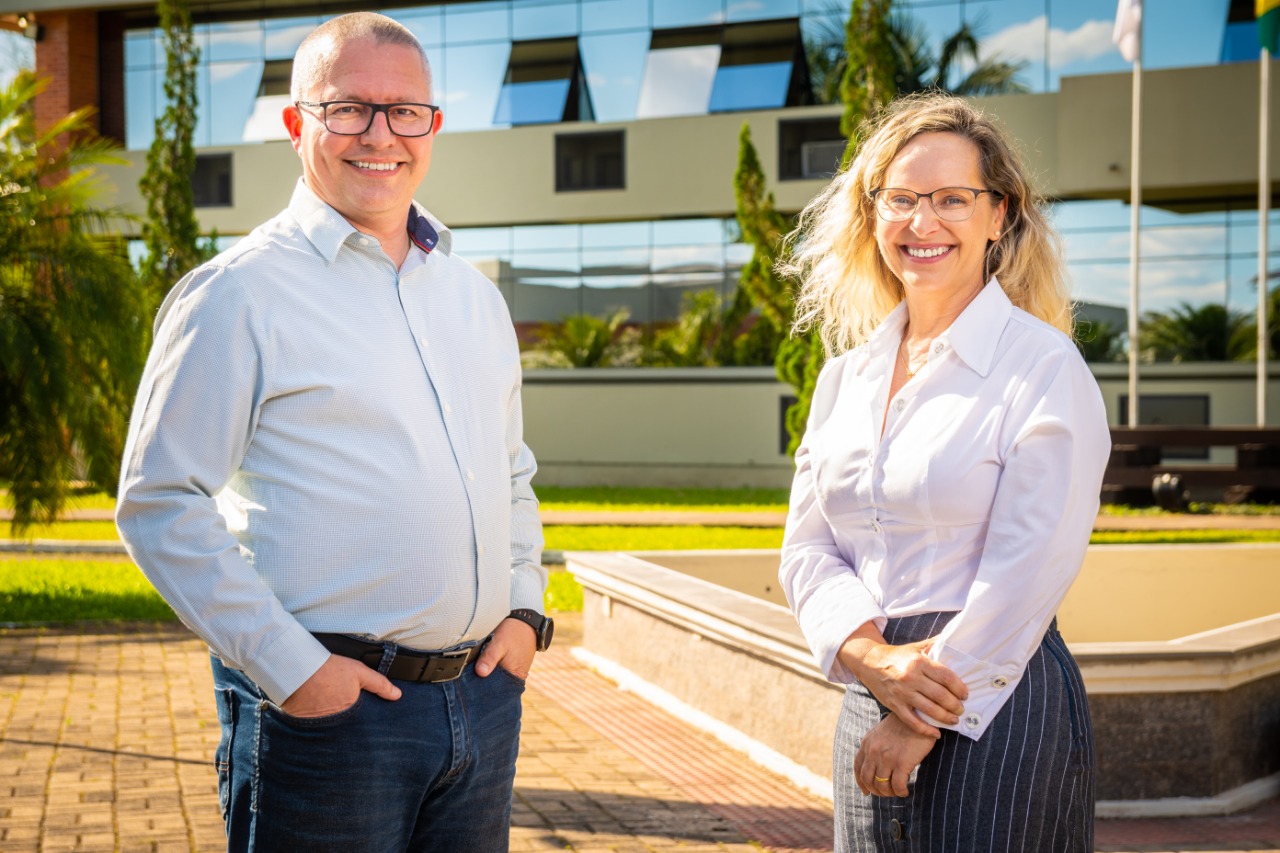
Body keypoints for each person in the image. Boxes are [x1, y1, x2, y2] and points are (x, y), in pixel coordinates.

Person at [116, 13, 550, 852]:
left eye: (405, 111)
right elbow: (159, 502)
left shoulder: (473, 296)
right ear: (296, 123)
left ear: (432, 125)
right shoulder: (237, 294)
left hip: (483, 700)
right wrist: (296, 672)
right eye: (348, 108)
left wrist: (525, 611)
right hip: (330, 721)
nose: (380, 135)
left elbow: (511, 473)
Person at [777, 92, 1111, 852]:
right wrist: (872, 660)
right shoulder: (843, 378)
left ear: (999, 215)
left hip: (993, 695)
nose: (922, 222)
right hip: (872, 687)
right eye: (900, 198)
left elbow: (1031, 563)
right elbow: (806, 549)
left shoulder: (1043, 365)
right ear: (872, 215)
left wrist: (919, 710)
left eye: (952, 199)